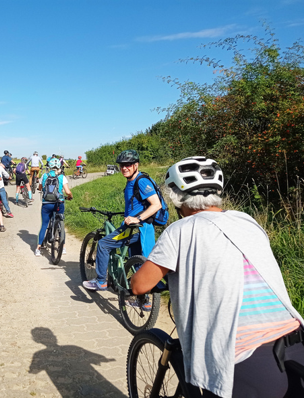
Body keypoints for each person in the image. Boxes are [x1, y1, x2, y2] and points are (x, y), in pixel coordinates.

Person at [130, 156, 304, 398]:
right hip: (295, 342)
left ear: (176, 197)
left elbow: (139, 285)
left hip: (243, 356)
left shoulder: (180, 229)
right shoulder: (247, 221)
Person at [83, 149, 161, 292]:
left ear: (136, 165)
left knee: (103, 244)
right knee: (138, 263)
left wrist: (136, 218)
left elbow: (156, 204)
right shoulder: (133, 181)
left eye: (129, 164)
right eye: (122, 165)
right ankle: (145, 300)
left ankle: (101, 281)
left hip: (136, 228)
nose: (124, 168)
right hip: (142, 229)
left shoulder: (141, 181)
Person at [35, 158, 73, 257]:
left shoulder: (44, 176)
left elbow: (39, 188)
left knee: (44, 225)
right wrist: (70, 197)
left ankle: (38, 248)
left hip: (46, 204)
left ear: (49, 166)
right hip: (59, 203)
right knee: (61, 223)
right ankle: (63, 247)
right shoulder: (62, 177)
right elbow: (68, 192)